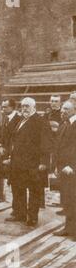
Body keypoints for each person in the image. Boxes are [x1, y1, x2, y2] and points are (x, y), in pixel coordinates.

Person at [5, 97, 51, 227]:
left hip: (33, 163)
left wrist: (43, 161)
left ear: (34, 107)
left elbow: (46, 142)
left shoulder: (40, 121)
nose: (24, 108)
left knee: (34, 191)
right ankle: (20, 214)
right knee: (18, 188)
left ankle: (32, 217)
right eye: (23, 106)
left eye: (27, 106)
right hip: (18, 163)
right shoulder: (20, 120)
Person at [53, 100, 76, 240]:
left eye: (66, 109)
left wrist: (72, 166)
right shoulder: (64, 125)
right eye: (62, 109)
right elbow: (58, 147)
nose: (63, 111)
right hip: (64, 169)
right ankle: (69, 228)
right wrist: (57, 165)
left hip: (72, 169)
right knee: (67, 200)